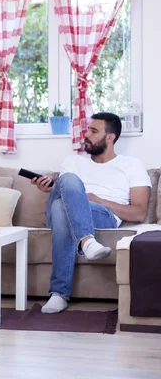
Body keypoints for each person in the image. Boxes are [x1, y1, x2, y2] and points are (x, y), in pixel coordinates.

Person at [33, 112, 151, 314]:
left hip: (102, 214)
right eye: (87, 129)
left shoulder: (132, 165)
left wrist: (97, 199)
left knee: (61, 209)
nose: (86, 134)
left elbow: (139, 213)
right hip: (64, 209)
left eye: (94, 131)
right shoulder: (73, 161)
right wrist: (52, 188)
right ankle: (88, 241)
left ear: (110, 137)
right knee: (68, 179)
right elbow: (66, 191)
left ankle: (59, 294)